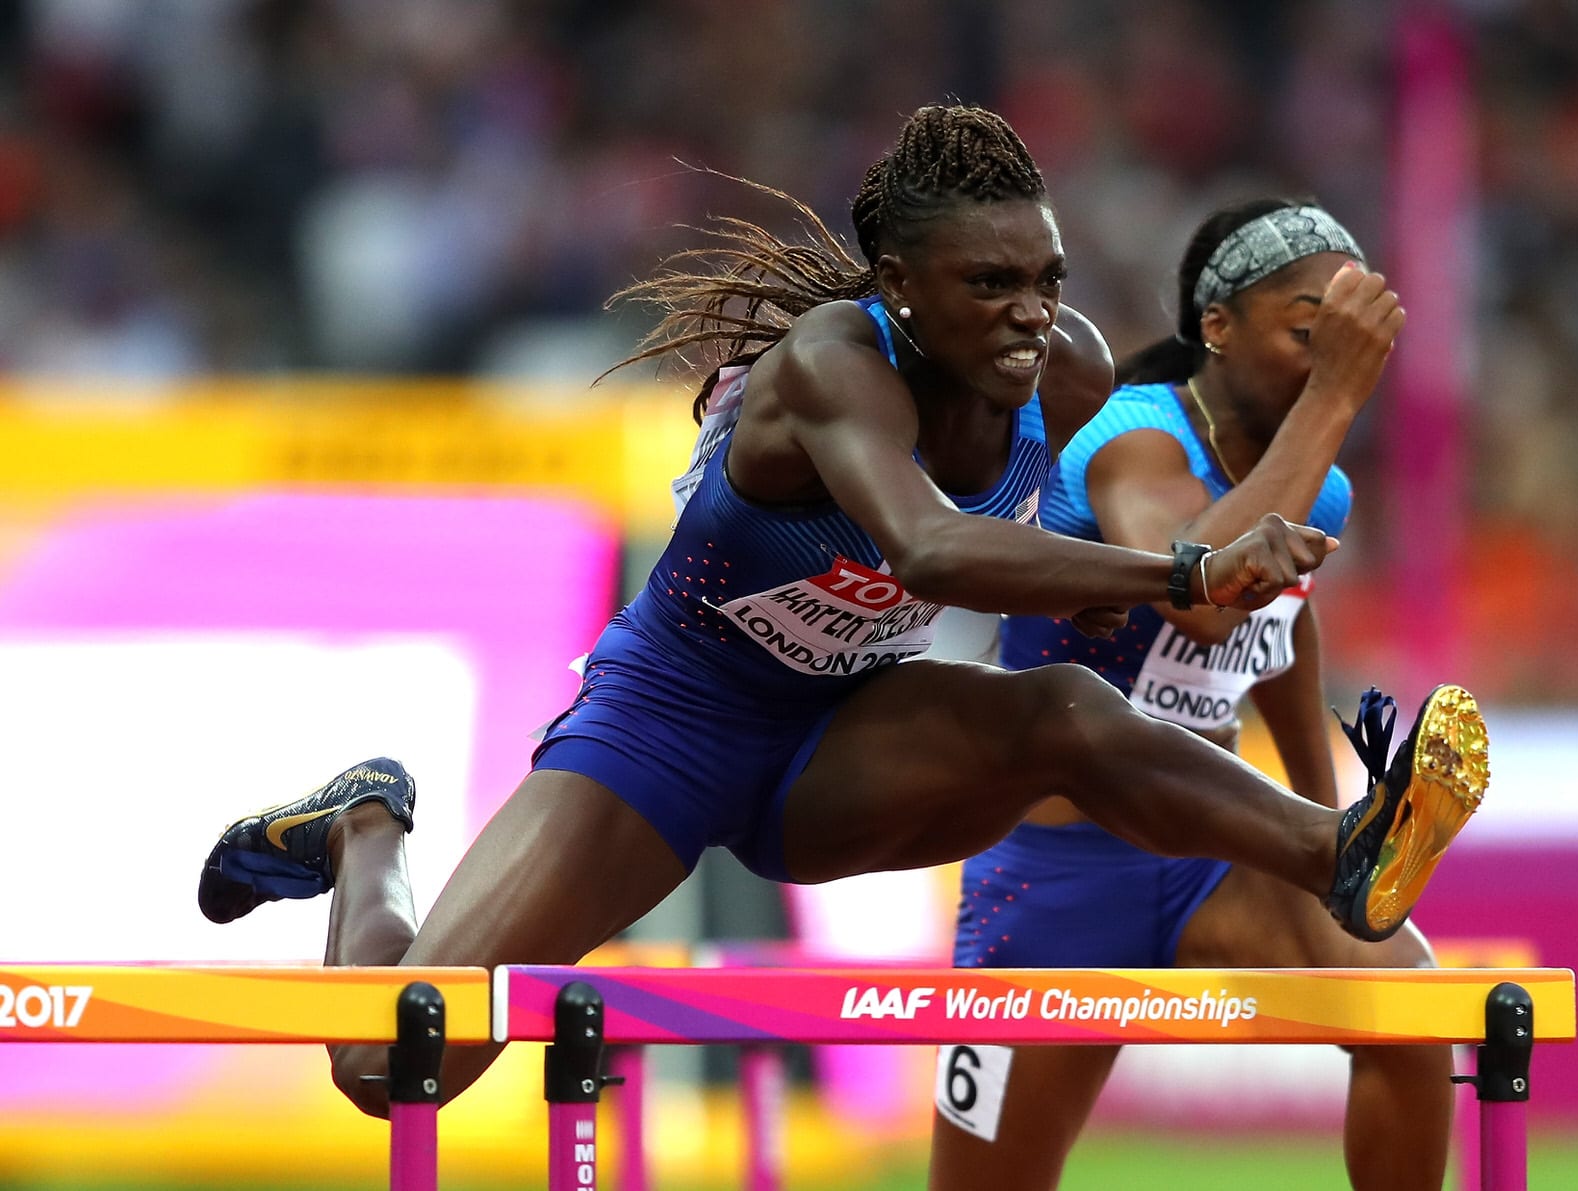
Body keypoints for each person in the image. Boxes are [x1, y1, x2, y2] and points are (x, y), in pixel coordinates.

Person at [193, 106, 1486, 1119]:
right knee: (389, 1063)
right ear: (898, 285)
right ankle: (367, 820)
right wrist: (1185, 577)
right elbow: (928, 549)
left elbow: (1135, 507)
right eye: (991, 285)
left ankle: (1342, 850)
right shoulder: (831, 365)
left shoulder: (1075, 370)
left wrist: (1170, 572)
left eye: (1049, 276)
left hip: (849, 729)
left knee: (1067, 709)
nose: (1033, 315)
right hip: (669, 726)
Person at [926, 200, 1475, 1191]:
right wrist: (1335, 398)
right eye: (1310, 331)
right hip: (1058, 873)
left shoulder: (1323, 486)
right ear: (1215, 327)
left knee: (1411, 1014)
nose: (1331, 356)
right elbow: (1207, 603)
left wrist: (1328, 830)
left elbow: (1278, 635)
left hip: (1213, 851)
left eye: (1349, 339)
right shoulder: (1128, 438)